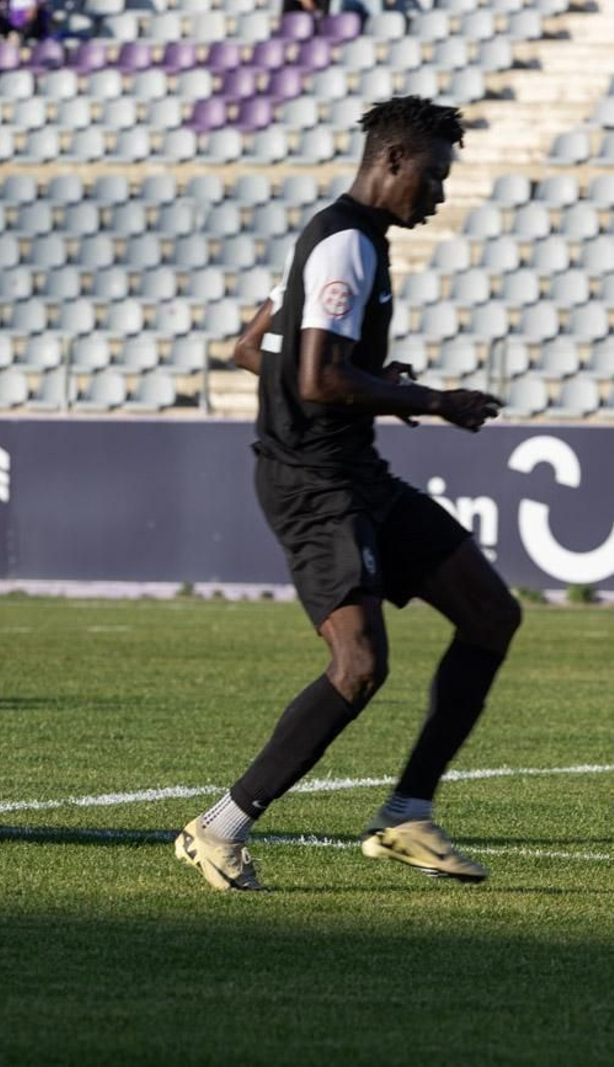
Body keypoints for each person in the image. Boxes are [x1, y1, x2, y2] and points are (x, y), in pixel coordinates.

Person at [175, 96, 519, 892]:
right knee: (359, 664)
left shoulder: (338, 241)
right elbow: (316, 374)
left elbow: (248, 348)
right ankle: (218, 828)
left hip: (353, 469)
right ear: (392, 160)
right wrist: (432, 399)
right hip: (312, 481)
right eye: (432, 176)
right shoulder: (346, 247)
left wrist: (370, 380)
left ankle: (406, 812)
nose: (437, 194)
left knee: (492, 612)